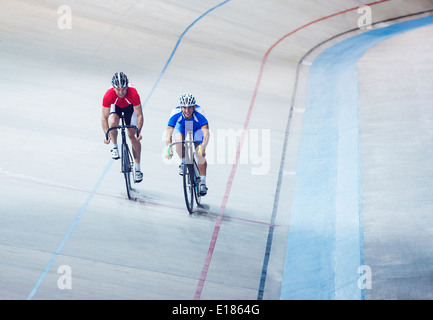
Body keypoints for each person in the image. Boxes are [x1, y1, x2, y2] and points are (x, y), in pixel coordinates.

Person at [101, 72, 144, 183]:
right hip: (117, 108)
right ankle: (115, 146)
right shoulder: (109, 94)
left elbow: (139, 115)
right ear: (114, 88)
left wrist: (138, 132)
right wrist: (106, 135)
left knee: (132, 135)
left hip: (130, 109)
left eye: (124, 89)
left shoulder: (133, 93)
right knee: (113, 120)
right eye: (118, 90)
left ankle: (138, 169)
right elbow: (104, 117)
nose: (121, 92)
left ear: (127, 87)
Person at [165, 93, 210, 195]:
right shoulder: (175, 113)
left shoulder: (200, 113)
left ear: (194, 107)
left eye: (190, 108)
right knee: (178, 141)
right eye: (184, 108)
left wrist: (202, 147)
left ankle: (202, 182)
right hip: (181, 127)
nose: (187, 111)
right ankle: (184, 161)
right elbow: (168, 134)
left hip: (196, 129)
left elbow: (206, 134)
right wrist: (169, 148)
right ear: (180, 107)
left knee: (200, 154)